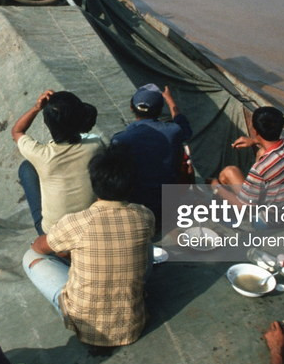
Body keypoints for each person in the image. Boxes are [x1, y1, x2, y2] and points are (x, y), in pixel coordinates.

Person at [22, 145, 153, 347]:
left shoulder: (76, 223)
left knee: (29, 257)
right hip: (133, 325)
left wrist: (59, 248)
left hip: (86, 328)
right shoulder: (145, 215)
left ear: (93, 184)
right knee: (146, 244)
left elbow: (39, 248)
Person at [12, 89, 103, 236]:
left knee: (27, 167)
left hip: (54, 235)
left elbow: (17, 131)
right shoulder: (96, 145)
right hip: (92, 226)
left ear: (47, 123)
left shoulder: (41, 155)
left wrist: (37, 107)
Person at [109, 83, 192, 230]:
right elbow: (182, 123)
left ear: (131, 107)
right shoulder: (174, 131)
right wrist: (170, 100)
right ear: (160, 110)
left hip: (137, 207)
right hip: (168, 208)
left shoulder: (120, 140)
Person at [209, 106, 284, 223]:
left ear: (255, 131)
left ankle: (222, 217)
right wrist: (254, 140)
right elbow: (272, 143)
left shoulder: (260, 168)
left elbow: (245, 206)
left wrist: (216, 187)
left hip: (270, 220)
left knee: (228, 173)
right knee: (261, 152)